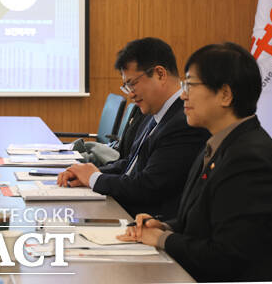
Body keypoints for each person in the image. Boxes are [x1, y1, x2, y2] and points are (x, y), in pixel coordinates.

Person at [117, 42, 272, 282]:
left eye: (190, 85)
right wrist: (164, 226)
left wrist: (162, 239)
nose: (183, 94)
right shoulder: (219, 144)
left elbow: (226, 256)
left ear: (225, 95)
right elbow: (205, 221)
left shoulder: (249, 159)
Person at [57, 37, 210, 219]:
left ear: (160, 74)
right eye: (126, 86)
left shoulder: (185, 123)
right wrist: (86, 172)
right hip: (124, 210)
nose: (130, 94)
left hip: (146, 221)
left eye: (132, 84)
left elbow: (150, 185)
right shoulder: (151, 113)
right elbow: (131, 164)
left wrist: (94, 178)